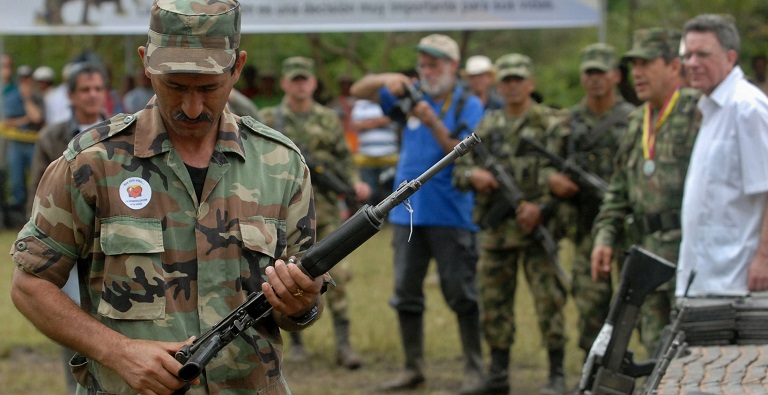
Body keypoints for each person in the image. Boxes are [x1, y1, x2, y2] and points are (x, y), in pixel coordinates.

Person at [9, 1, 323, 394]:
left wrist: (303, 305)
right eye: (175, 86)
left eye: (209, 88)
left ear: (237, 67)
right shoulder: (92, 162)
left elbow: (301, 309)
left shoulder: (281, 164)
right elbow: (30, 284)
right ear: (146, 62)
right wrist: (118, 351)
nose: (192, 108)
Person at [350, 33, 484, 392]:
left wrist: (431, 121)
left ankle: (474, 369)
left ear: (453, 67)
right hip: (406, 214)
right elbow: (359, 90)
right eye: (422, 63)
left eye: (435, 63)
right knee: (406, 293)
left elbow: (467, 154)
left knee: (461, 293)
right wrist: (385, 79)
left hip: (451, 214)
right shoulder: (412, 97)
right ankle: (413, 369)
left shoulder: (467, 104)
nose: (427, 70)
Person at [454, 53, 568, 395]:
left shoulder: (551, 124)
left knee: (550, 302)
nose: (513, 85)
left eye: (519, 79)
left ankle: (557, 374)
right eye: (507, 80)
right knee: (493, 304)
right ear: (498, 85)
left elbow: (568, 178)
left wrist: (542, 208)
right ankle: (499, 374)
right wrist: (474, 175)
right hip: (497, 234)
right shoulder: (487, 128)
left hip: (537, 230)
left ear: (531, 83)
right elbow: (458, 171)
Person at [591, 28, 700, 353]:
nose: (637, 73)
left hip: (688, 256)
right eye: (633, 64)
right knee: (654, 349)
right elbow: (618, 191)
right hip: (647, 258)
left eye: (646, 63)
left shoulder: (699, 111)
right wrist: (604, 237)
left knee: (693, 351)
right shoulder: (636, 122)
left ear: (673, 66)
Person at [258, 56, 370, 370]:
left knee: (338, 276)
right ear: (284, 83)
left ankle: (344, 344)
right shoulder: (268, 117)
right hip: (282, 209)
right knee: (284, 273)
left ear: (313, 83)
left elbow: (344, 157)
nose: (300, 84)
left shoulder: (327, 118)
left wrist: (355, 183)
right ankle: (294, 343)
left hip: (325, 209)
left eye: (304, 79)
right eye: (294, 79)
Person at [26, 61, 108, 395]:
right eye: (84, 90)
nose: (92, 96)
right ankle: (76, 385)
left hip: (109, 243)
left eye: (97, 89)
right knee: (71, 320)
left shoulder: (123, 133)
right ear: (71, 96)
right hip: (66, 243)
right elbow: (37, 191)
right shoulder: (52, 137)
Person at [548, 43, 635, 359]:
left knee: (636, 301)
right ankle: (593, 372)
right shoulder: (566, 121)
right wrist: (552, 179)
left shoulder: (634, 120)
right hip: (586, 226)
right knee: (589, 303)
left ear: (615, 76)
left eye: (602, 72)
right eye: (590, 73)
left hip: (629, 227)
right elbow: (544, 163)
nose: (596, 79)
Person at [677, 14, 768, 297]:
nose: (692, 63)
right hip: (703, 278)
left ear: (730, 58)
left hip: (738, 283)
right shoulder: (711, 108)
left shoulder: (747, 108)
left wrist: (764, 259)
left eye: (702, 54)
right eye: (687, 54)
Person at [2, 63, 44, 222]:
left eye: (27, 79)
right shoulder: (11, 97)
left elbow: (37, 118)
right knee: (16, 183)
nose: (25, 82)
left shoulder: (37, 97)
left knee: (36, 180)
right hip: (16, 145)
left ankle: (35, 216)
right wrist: (25, 119)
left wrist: (27, 99)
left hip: (33, 145)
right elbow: (7, 122)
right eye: (22, 79)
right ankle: (16, 218)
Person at [350, 97, 399, 205]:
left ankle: (389, 221)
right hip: (366, 157)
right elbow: (356, 125)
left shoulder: (389, 100)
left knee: (390, 193)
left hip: (389, 157)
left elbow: (394, 117)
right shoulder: (360, 103)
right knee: (370, 193)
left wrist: (369, 122)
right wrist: (381, 121)